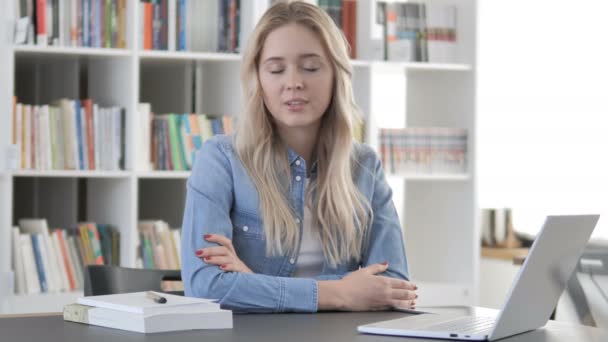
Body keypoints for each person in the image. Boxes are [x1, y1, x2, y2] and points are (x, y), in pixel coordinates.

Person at [181, 0, 417, 313]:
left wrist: (251, 281)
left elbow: (395, 286)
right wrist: (341, 293)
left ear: (336, 75)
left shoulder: (364, 166)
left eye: (310, 67)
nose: (293, 82)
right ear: (258, 80)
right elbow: (205, 286)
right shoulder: (221, 159)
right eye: (276, 69)